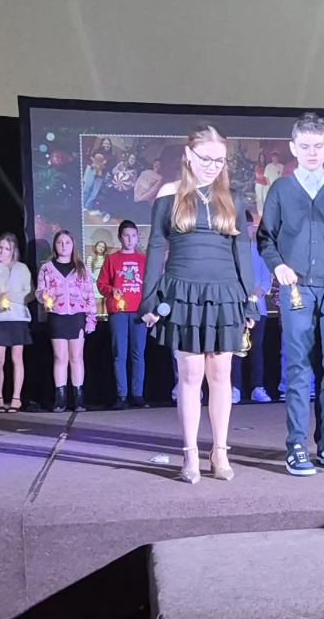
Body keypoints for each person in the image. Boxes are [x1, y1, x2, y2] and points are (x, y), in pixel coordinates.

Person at [138, 122, 258, 483]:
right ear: (189, 155)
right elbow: (155, 248)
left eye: (219, 160)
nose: (212, 166)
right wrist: (148, 299)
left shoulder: (232, 198)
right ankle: (190, 453)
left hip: (224, 294)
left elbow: (242, 251)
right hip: (184, 294)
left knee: (221, 376)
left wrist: (249, 300)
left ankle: (219, 451)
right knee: (190, 376)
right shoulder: (168, 195)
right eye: (206, 158)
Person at [257, 111, 324, 477]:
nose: (312, 152)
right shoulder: (281, 190)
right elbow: (265, 238)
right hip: (297, 289)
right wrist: (277, 266)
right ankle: (297, 446)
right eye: (304, 146)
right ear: (293, 148)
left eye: (318, 146)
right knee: (298, 365)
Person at [36, 230, 97, 412]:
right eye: (60, 242)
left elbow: (89, 295)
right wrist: (45, 296)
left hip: (77, 317)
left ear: (73, 245)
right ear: (55, 245)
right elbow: (39, 292)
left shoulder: (80, 268)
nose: (63, 246)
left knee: (76, 357)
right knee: (60, 357)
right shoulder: (47, 268)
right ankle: (60, 398)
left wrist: (91, 319)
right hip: (57, 317)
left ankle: (79, 398)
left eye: (67, 243)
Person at [97, 219, 147, 409]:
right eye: (126, 235)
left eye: (133, 235)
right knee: (120, 353)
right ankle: (122, 395)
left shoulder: (143, 260)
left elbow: (150, 284)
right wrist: (112, 290)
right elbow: (101, 284)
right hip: (118, 312)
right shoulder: (112, 259)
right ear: (120, 237)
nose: (130, 239)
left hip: (138, 312)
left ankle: (137, 394)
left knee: (138, 353)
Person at [0, 233, 33, 413]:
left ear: (13, 251)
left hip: (18, 318)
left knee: (17, 358)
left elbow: (30, 293)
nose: (3, 251)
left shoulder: (22, 268)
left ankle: (16, 398)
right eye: (0, 248)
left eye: (7, 249)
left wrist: (14, 297)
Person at [231, 211, 272, 404]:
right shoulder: (230, 251)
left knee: (256, 349)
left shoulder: (258, 250)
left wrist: (258, 291)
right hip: (236, 308)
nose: (245, 230)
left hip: (258, 308)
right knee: (235, 349)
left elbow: (266, 279)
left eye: (248, 226)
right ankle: (235, 387)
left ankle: (257, 387)